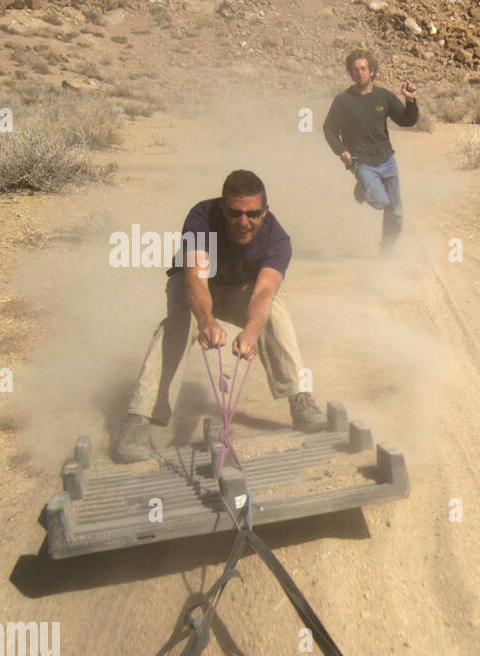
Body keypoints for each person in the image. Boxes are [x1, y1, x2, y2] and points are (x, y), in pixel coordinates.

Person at [113, 169, 326, 464]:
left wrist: (251, 330)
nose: (243, 222)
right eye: (235, 213)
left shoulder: (277, 240)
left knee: (273, 313)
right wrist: (206, 321)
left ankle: (299, 398)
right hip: (198, 287)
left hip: (241, 291)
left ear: (265, 210)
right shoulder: (202, 218)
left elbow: (264, 293)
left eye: (252, 214)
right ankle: (137, 419)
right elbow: (195, 280)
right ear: (223, 208)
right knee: (179, 322)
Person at [322, 49, 418, 256]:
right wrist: (341, 151)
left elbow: (407, 121)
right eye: (355, 70)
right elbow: (329, 129)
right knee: (381, 201)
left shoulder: (383, 97)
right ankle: (364, 189)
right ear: (350, 73)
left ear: (372, 71)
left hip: (386, 158)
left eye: (364, 68)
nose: (360, 73)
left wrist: (411, 101)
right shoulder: (343, 101)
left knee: (396, 211)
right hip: (361, 161)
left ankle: (387, 249)